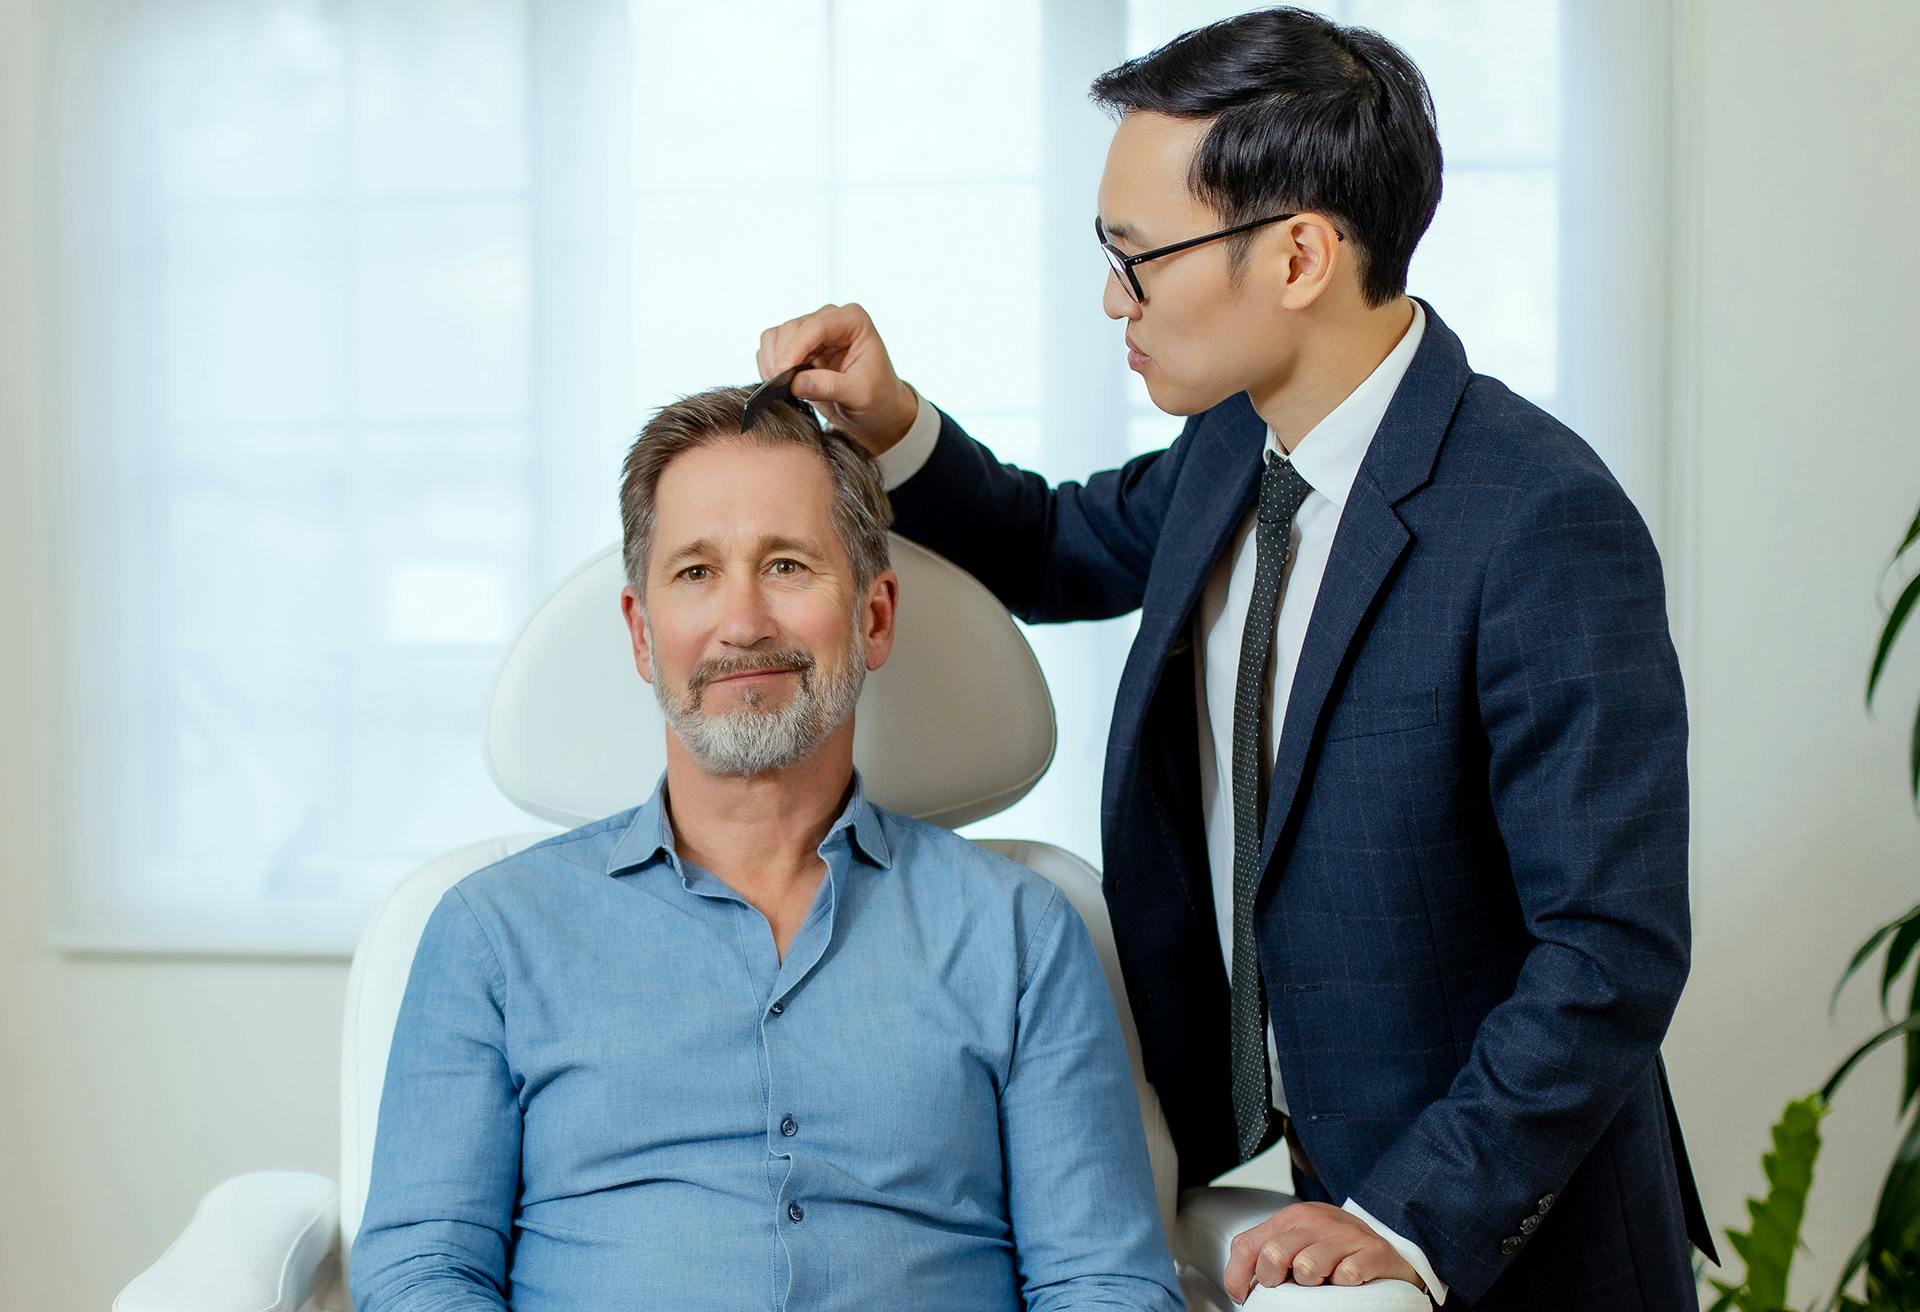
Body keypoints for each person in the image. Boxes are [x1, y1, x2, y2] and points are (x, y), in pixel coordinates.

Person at [754, 8, 1715, 1310]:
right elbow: (1050, 544)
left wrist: (1414, 1220)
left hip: (1493, 1250)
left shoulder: (1539, 519)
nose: (1112, 297)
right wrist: (894, 422)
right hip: (1278, 1194)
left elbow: (1610, 947)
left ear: (1302, 255)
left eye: (1136, 257)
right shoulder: (1231, 447)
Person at [349, 386, 1183, 1312]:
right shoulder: (490, 933)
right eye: (696, 573)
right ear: (640, 631)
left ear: (873, 618)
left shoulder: (1022, 932)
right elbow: (420, 1274)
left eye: (786, 566)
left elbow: (1102, 1283)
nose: (741, 622)